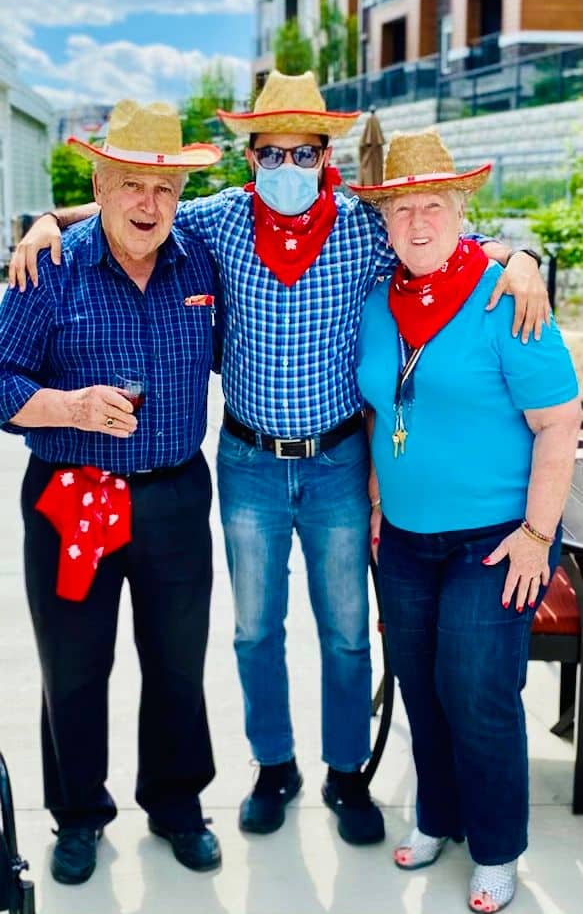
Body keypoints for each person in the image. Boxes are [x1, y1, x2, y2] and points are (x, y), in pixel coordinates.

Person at [9, 71, 550, 849]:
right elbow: (130, 210)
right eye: (271, 153)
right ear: (250, 157)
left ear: (326, 157)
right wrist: (42, 223)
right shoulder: (216, 223)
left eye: (303, 154)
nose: (286, 168)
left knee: (342, 633)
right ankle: (269, 767)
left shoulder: (360, 230)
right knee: (248, 631)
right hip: (241, 463)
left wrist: (521, 256)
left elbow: (444, 238)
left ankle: (343, 772)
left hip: (333, 461)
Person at [352, 129, 581, 911]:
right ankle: (438, 814)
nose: (417, 222)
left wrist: (537, 536)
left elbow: (558, 421)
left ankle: (495, 847)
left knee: (477, 691)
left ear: (460, 211)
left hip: (497, 540)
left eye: (433, 206)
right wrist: (378, 500)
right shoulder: (377, 302)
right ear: (384, 222)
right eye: (401, 209)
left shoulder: (505, 297)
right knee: (420, 685)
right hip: (404, 539)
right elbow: (380, 408)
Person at [0, 100, 224, 884]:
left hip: (174, 495)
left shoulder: (200, 259)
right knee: (73, 666)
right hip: (72, 497)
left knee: (177, 663)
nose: (147, 203)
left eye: (164, 187)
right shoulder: (49, 267)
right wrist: (68, 407)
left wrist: (516, 255)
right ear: (98, 185)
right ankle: (78, 815)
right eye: (130, 183)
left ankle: (176, 804)